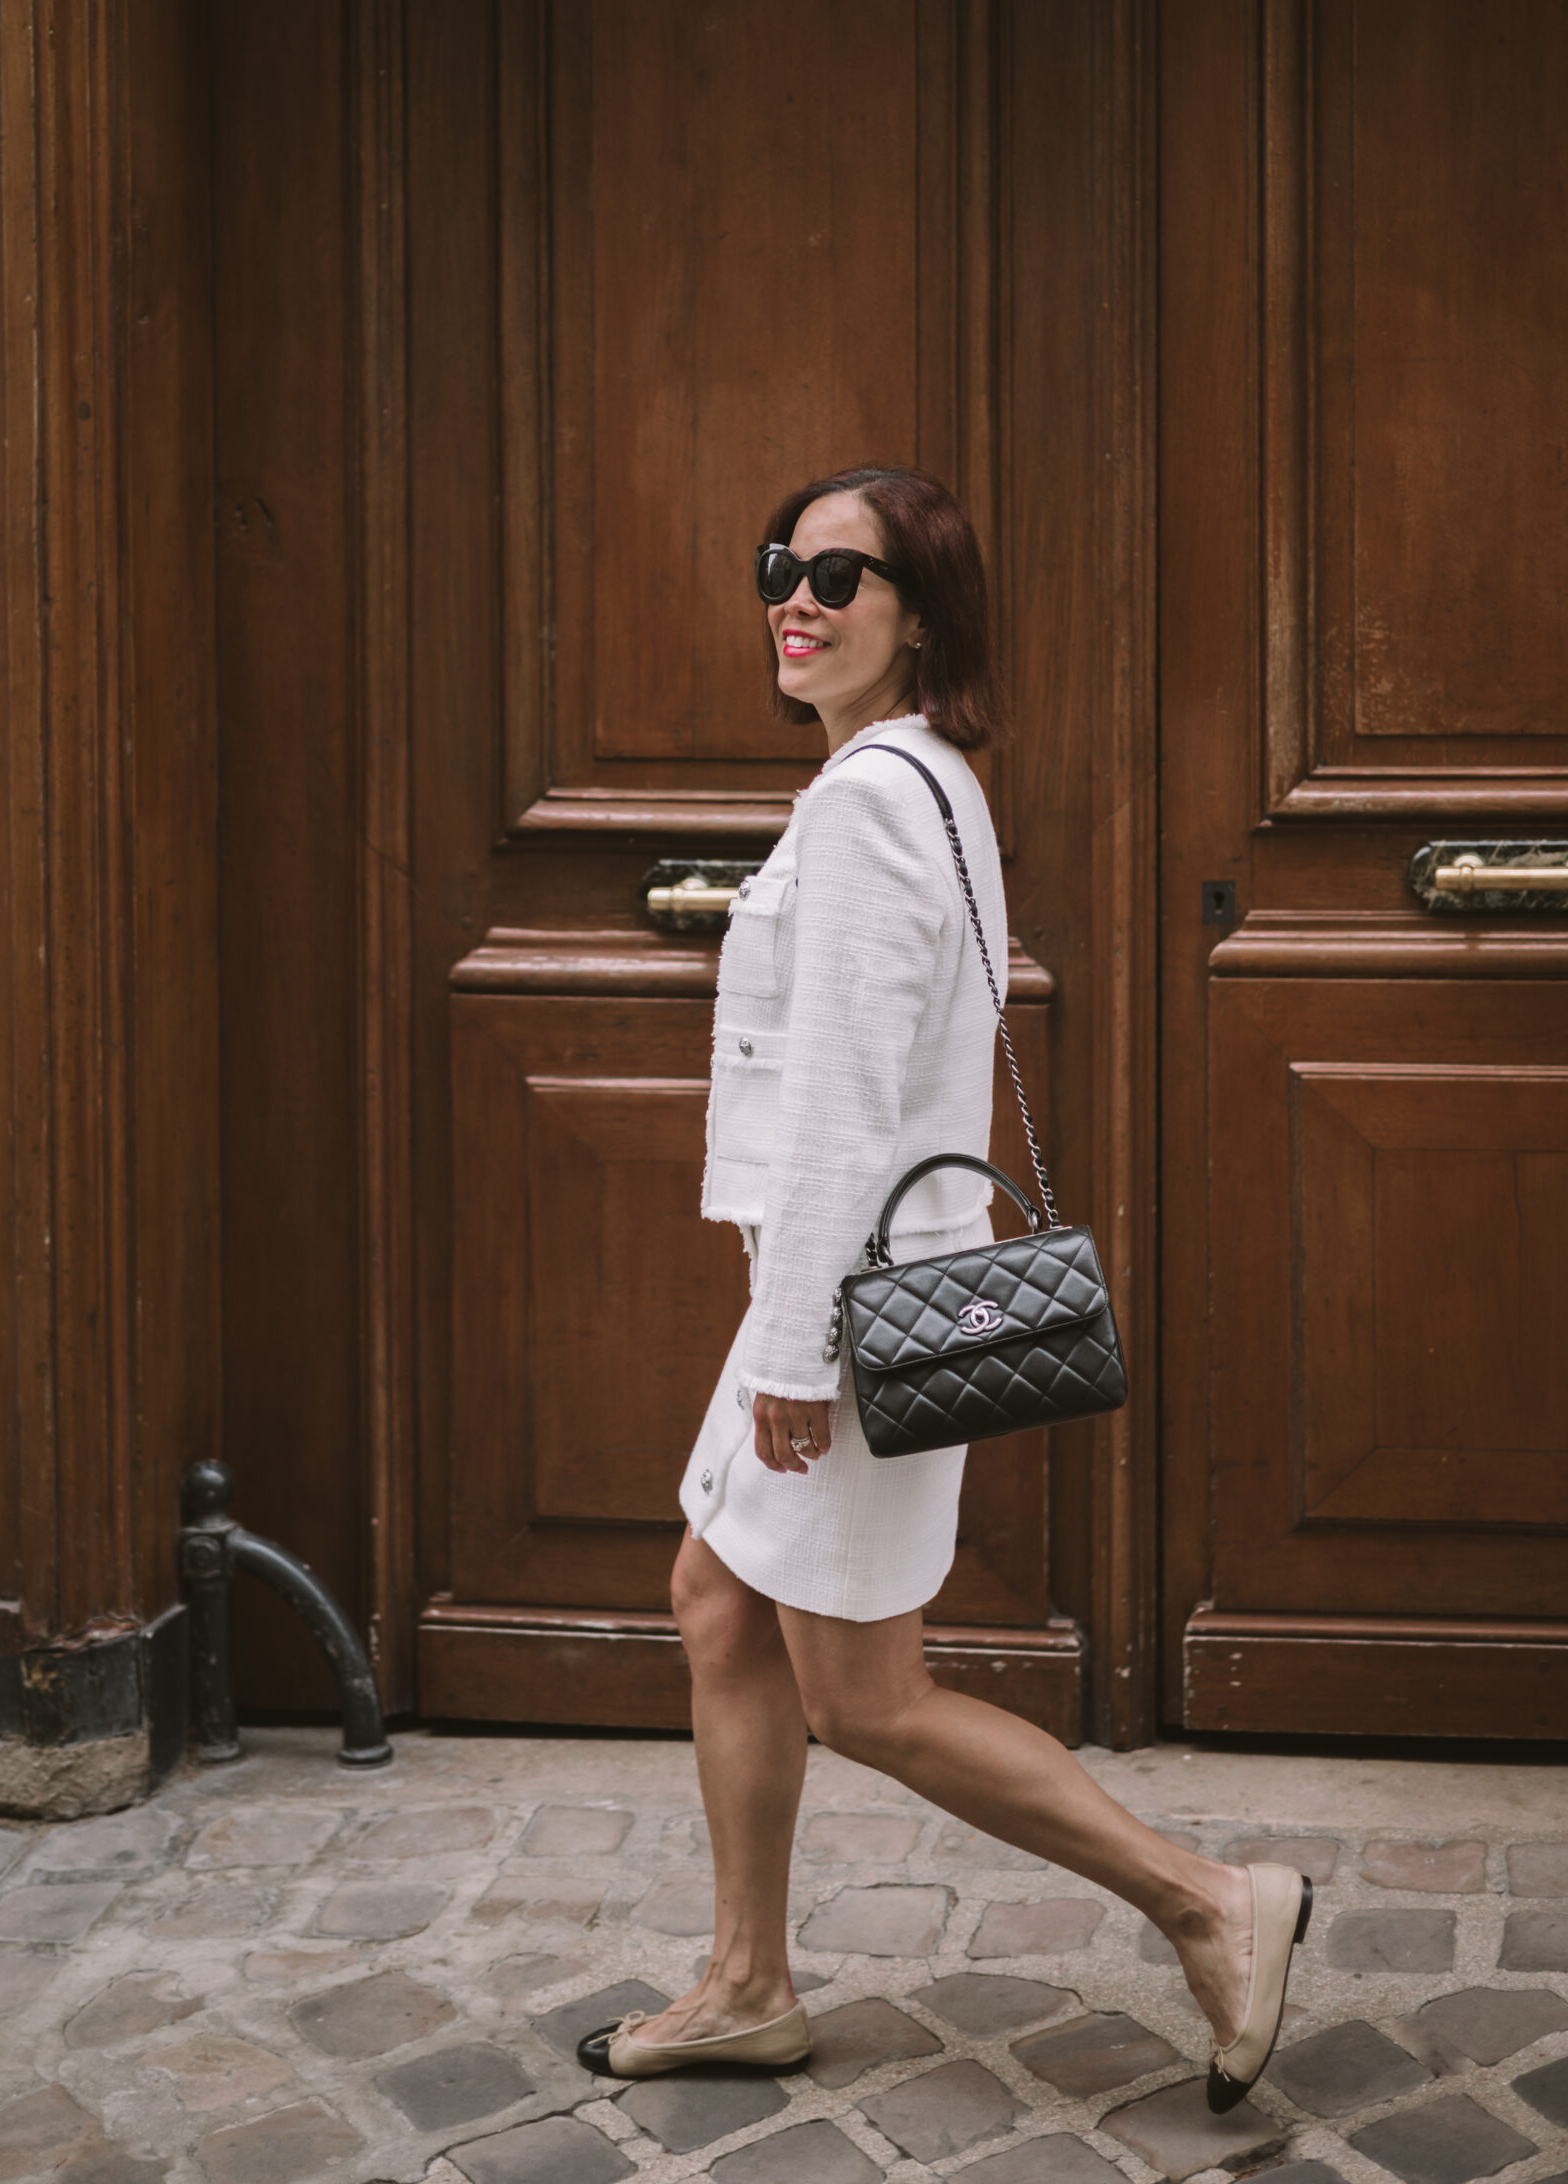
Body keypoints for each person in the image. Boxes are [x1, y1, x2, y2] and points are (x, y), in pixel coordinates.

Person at [577, 467, 1309, 2114]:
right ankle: (751, 1983)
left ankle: (1211, 1904)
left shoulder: (871, 801)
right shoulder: (918, 783)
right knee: (716, 1600)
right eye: (784, 565)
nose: (800, 597)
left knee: (871, 1698)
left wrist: (790, 1355)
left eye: (845, 574)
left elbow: (845, 1102)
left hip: (842, 1311)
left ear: (923, 615)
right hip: (836, 1288)